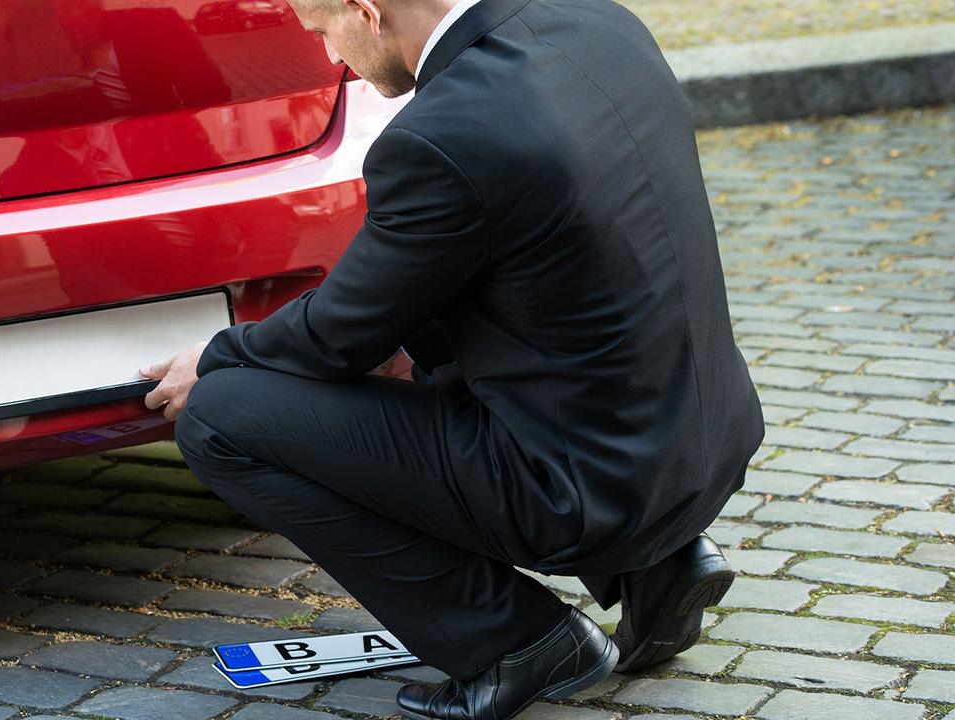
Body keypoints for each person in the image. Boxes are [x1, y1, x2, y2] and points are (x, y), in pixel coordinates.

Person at [138, 0, 764, 717]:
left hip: (585, 492)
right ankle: (660, 562)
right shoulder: (601, 23)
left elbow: (340, 335)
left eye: (323, 33)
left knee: (221, 419)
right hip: (705, 443)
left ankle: (518, 643)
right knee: (444, 316)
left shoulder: (442, 135)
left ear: (365, 11)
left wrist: (219, 355)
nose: (331, 59)